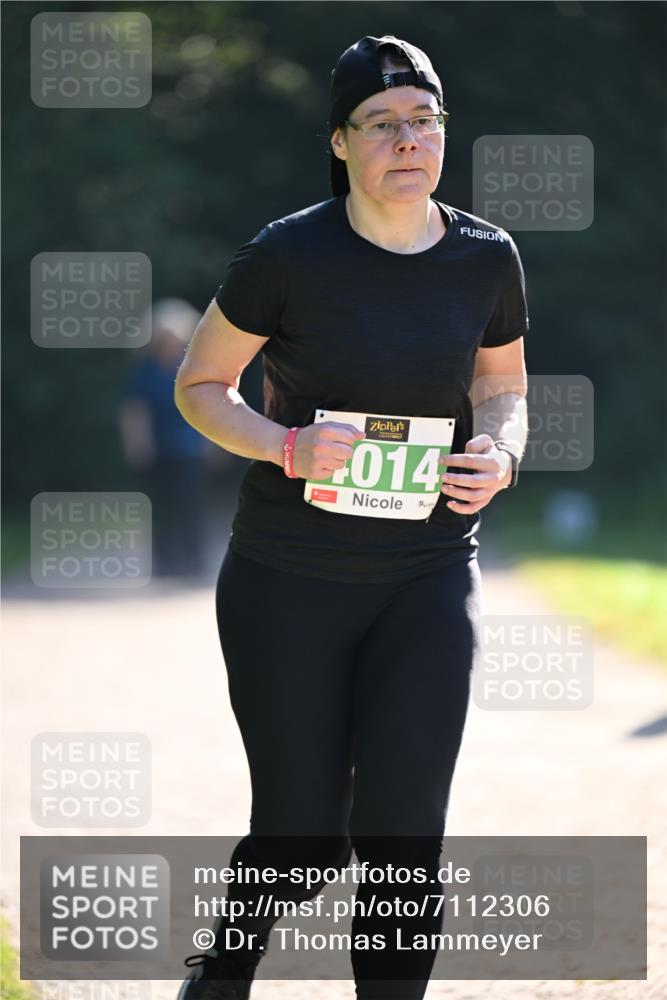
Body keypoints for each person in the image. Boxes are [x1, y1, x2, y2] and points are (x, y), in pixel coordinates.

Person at [174, 33, 528, 1000]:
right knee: (301, 831)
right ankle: (220, 974)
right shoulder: (285, 254)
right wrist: (283, 446)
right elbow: (200, 385)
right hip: (289, 578)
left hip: (425, 574)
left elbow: (502, 386)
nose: (406, 140)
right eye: (381, 124)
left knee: (405, 832)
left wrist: (499, 449)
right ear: (340, 142)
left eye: (424, 120)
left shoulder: (485, 257)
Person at [119, 298, 209, 578]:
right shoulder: (145, 371)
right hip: (160, 449)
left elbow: (208, 407)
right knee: (161, 507)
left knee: (191, 506)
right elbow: (135, 410)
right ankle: (165, 562)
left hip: (191, 449)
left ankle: (194, 560)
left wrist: (216, 443)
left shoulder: (192, 368)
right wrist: (137, 444)